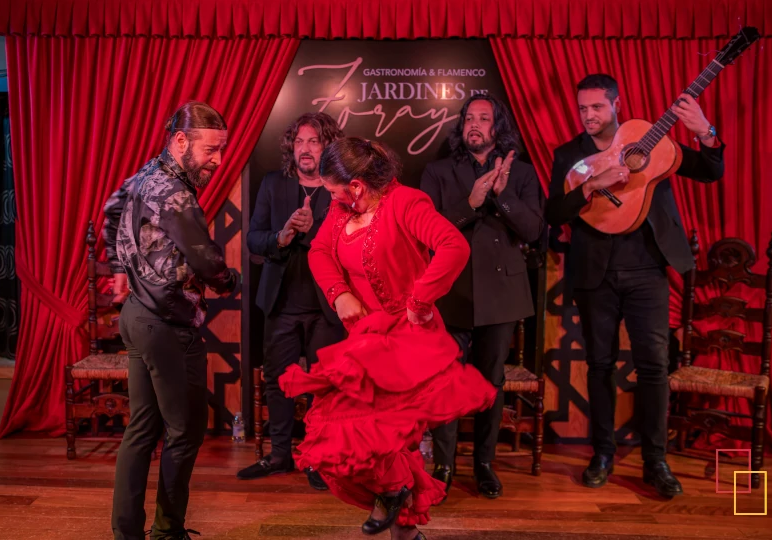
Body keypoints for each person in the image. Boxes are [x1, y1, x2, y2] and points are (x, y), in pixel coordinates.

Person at [278, 137, 497, 540]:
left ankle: (396, 497)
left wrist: (420, 298)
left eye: (333, 190)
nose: (331, 197)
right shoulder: (341, 210)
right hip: (365, 340)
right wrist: (339, 294)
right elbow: (319, 253)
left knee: (386, 437)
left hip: (408, 340)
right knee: (348, 433)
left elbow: (453, 245)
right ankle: (404, 522)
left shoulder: (406, 203)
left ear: (357, 186)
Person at [547, 74, 725, 498]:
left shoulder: (650, 140)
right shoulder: (569, 155)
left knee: (654, 367)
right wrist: (590, 186)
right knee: (600, 365)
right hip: (595, 272)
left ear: (616, 104)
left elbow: (710, 171)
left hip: (648, 267)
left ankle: (655, 460)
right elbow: (554, 212)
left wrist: (705, 132)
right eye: (582, 109)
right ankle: (603, 453)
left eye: (597, 107)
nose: (589, 116)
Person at [103, 101, 240, 540]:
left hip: (136, 317)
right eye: (211, 150)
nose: (218, 160)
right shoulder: (176, 193)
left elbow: (109, 212)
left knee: (142, 428)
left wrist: (122, 268)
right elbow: (207, 260)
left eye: (221, 150)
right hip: (166, 324)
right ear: (181, 141)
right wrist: (229, 280)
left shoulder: (144, 175)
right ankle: (168, 531)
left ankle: (127, 533)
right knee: (185, 431)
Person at [420, 93, 546, 499]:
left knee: (491, 382)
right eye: (468, 118)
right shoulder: (438, 171)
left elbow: (533, 232)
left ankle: (485, 465)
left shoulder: (523, 174)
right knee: (444, 383)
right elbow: (424, 229)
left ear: (497, 127)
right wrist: (471, 203)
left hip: (502, 293)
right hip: (450, 291)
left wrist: (503, 195)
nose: (474, 124)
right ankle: (443, 464)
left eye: (484, 118)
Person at [238, 113, 345, 488]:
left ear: (328, 146)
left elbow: (348, 245)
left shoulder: (341, 190)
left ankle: (316, 459)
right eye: (299, 142)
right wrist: (281, 237)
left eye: (314, 141)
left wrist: (313, 231)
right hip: (280, 303)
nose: (305, 148)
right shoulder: (272, 184)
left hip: (326, 307)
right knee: (279, 382)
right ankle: (280, 455)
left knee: (322, 387)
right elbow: (254, 239)